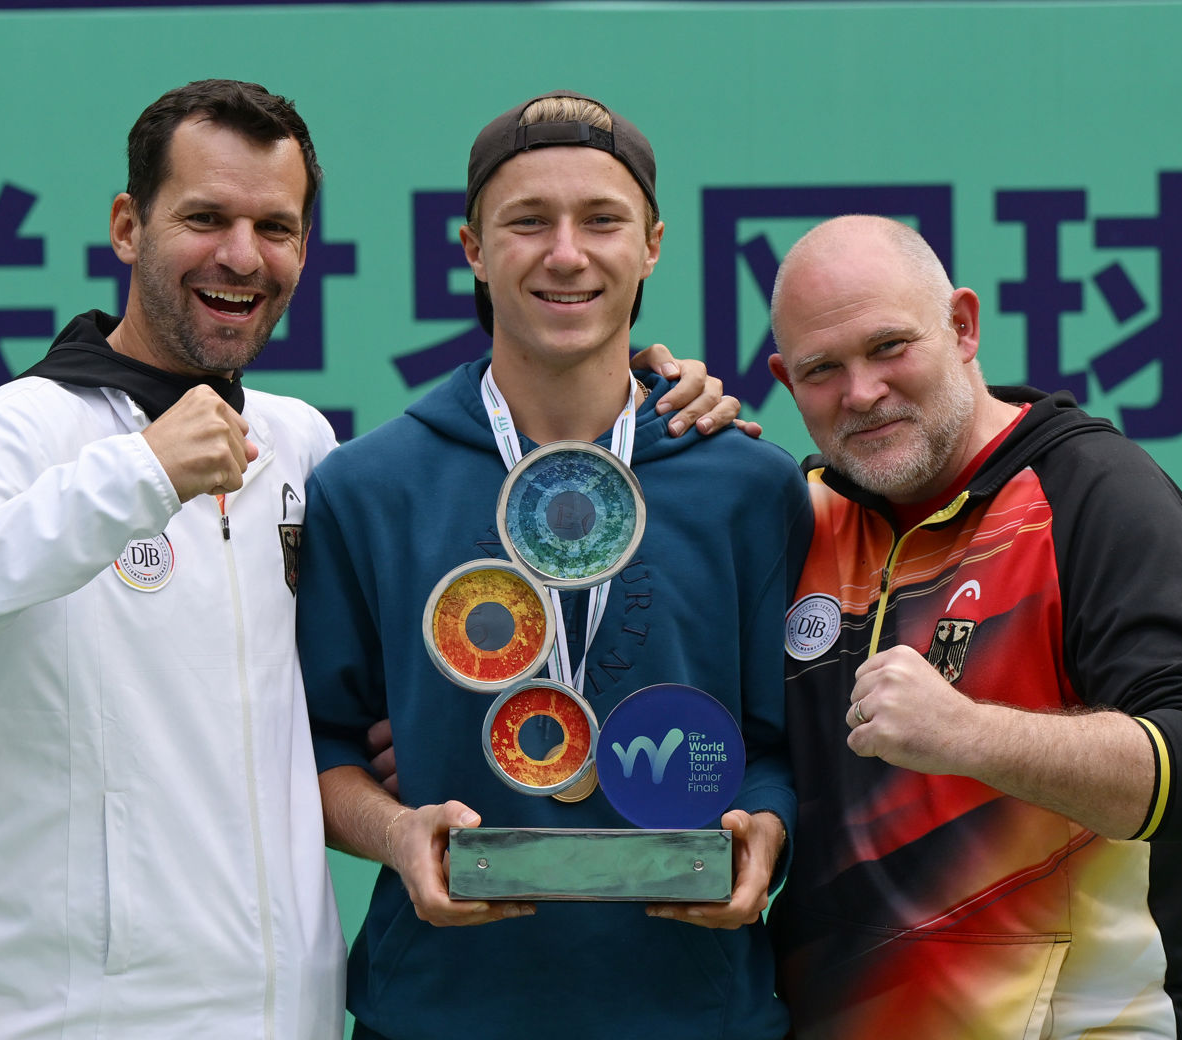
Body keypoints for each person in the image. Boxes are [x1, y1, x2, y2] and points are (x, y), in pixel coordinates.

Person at [0, 80, 741, 1040]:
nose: (240, 256)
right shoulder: (20, 433)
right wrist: (134, 477)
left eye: (276, 226)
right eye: (204, 218)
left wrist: (637, 395)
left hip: (284, 1017)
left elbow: (349, 709)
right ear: (129, 226)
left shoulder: (300, 445)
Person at [298, 91, 811, 1040]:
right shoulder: (369, 487)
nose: (565, 253)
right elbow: (318, 750)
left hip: (698, 1012)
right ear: (471, 249)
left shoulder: (750, 485)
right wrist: (394, 832)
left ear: (652, 244)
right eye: (527, 221)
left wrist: (764, 839)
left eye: (601, 220)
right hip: (438, 1013)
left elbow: (783, 742)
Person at [765, 214, 1182, 1039]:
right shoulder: (796, 518)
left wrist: (968, 733)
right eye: (822, 369)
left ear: (962, 326)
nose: (862, 392)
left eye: (890, 347)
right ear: (784, 378)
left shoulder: (1098, 492)